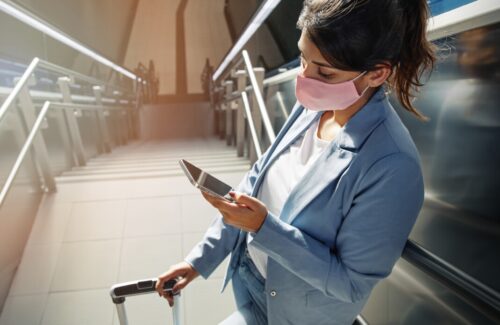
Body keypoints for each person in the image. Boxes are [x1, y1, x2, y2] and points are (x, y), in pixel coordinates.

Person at [156, 0, 436, 324]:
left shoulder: (391, 166)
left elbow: (350, 284)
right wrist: (198, 261)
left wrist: (263, 228)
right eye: (303, 58)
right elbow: (258, 178)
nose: (304, 77)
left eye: (325, 72)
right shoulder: (314, 107)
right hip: (250, 281)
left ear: (377, 74)